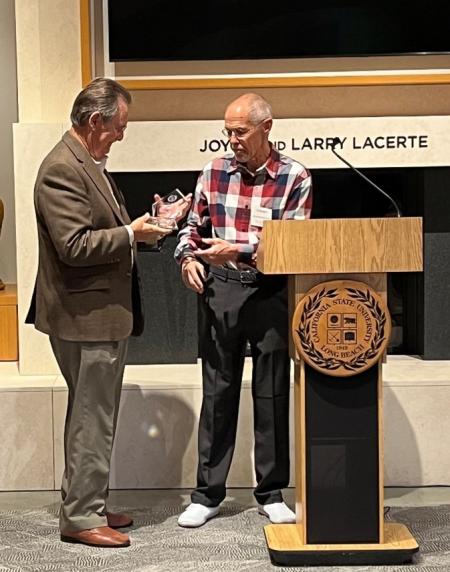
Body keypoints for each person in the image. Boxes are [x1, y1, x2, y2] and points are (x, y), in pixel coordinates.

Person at [26, 78, 190, 547]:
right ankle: (80, 518)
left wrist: (145, 223)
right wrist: (131, 234)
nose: (122, 134)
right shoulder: (61, 168)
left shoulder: (86, 163)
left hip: (96, 314)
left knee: (93, 416)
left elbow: (102, 227)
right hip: (85, 317)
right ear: (95, 121)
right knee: (91, 418)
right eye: (119, 126)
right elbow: (74, 246)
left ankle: (87, 505)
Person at [175, 93, 313, 528]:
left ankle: (271, 492)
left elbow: (295, 241)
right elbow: (192, 228)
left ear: (267, 127)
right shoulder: (213, 172)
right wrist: (188, 258)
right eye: (227, 132)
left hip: (269, 290)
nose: (232, 140)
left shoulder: (295, 177)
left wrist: (242, 248)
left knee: (271, 392)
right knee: (217, 392)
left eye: (240, 132)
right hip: (221, 290)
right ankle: (207, 493)